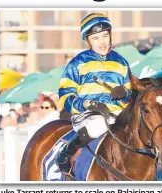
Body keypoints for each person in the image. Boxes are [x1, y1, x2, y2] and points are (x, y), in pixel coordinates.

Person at [55, 13, 132, 174]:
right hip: (87, 114)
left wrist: (124, 93)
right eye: (95, 38)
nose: (102, 42)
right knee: (99, 123)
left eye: (105, 35)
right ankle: (65, 153)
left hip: (116, 113)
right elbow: (65, 94)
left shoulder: (122, 63)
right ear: (87, 41)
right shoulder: (78, 63)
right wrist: (87, 103)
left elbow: (131, 94)